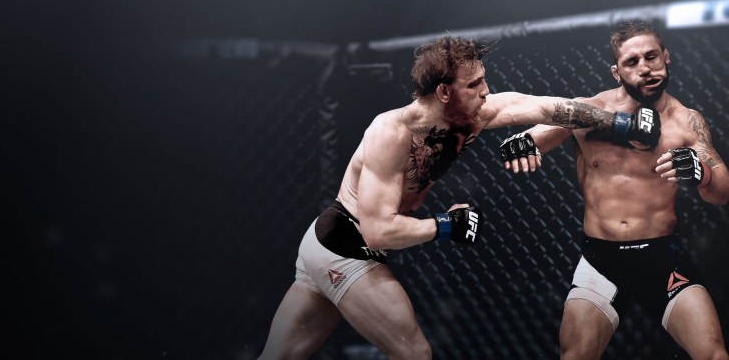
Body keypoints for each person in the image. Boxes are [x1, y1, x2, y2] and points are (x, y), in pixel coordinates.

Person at [258, 36, 655, 360]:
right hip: (344, 244)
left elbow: (549, 108)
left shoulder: (476, 114)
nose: (486, 91)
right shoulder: (391, 133)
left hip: (326, 245)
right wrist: (447, 225)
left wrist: (621, 123)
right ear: (444, 91)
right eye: (474, 84)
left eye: (484, 80)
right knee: (413, 354)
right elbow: (377, 231)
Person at [499, 20, 729, 359]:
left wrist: (702, 173)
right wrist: (521, 143)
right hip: (601, 259)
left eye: (651, 56)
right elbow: (531, 139)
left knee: (714, 355)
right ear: (616, 72)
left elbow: (721, 192)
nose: (645, 68)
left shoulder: (686, 121)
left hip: (662, 257)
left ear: (666, 57)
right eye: (631, 62)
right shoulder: (588, 111)